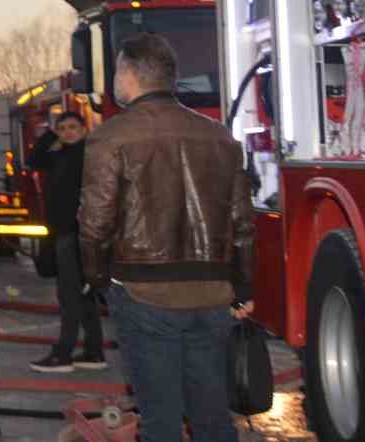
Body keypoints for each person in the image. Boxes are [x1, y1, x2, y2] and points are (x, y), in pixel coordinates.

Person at [80, 33, 255, 442]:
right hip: (212, 293)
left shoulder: (111, 137)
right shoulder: (219, 137)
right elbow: (243, 222)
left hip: (144, 292)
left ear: (129, 73)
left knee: (161, 419)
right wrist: (243, 286)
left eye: (117, 72)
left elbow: (95, 223)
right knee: (212, 415)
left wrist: (98, 278)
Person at [26, 110, 106, 372]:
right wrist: (50, 131)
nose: (68, 132)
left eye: (73, 127)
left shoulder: (89, 156)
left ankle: (63, 354)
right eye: (63, 129)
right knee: (83, 296)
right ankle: (94, 352)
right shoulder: (60, 156)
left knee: (69, 295)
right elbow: (34, 159)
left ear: (84, 129)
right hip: (64, 233)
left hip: (76, 235)